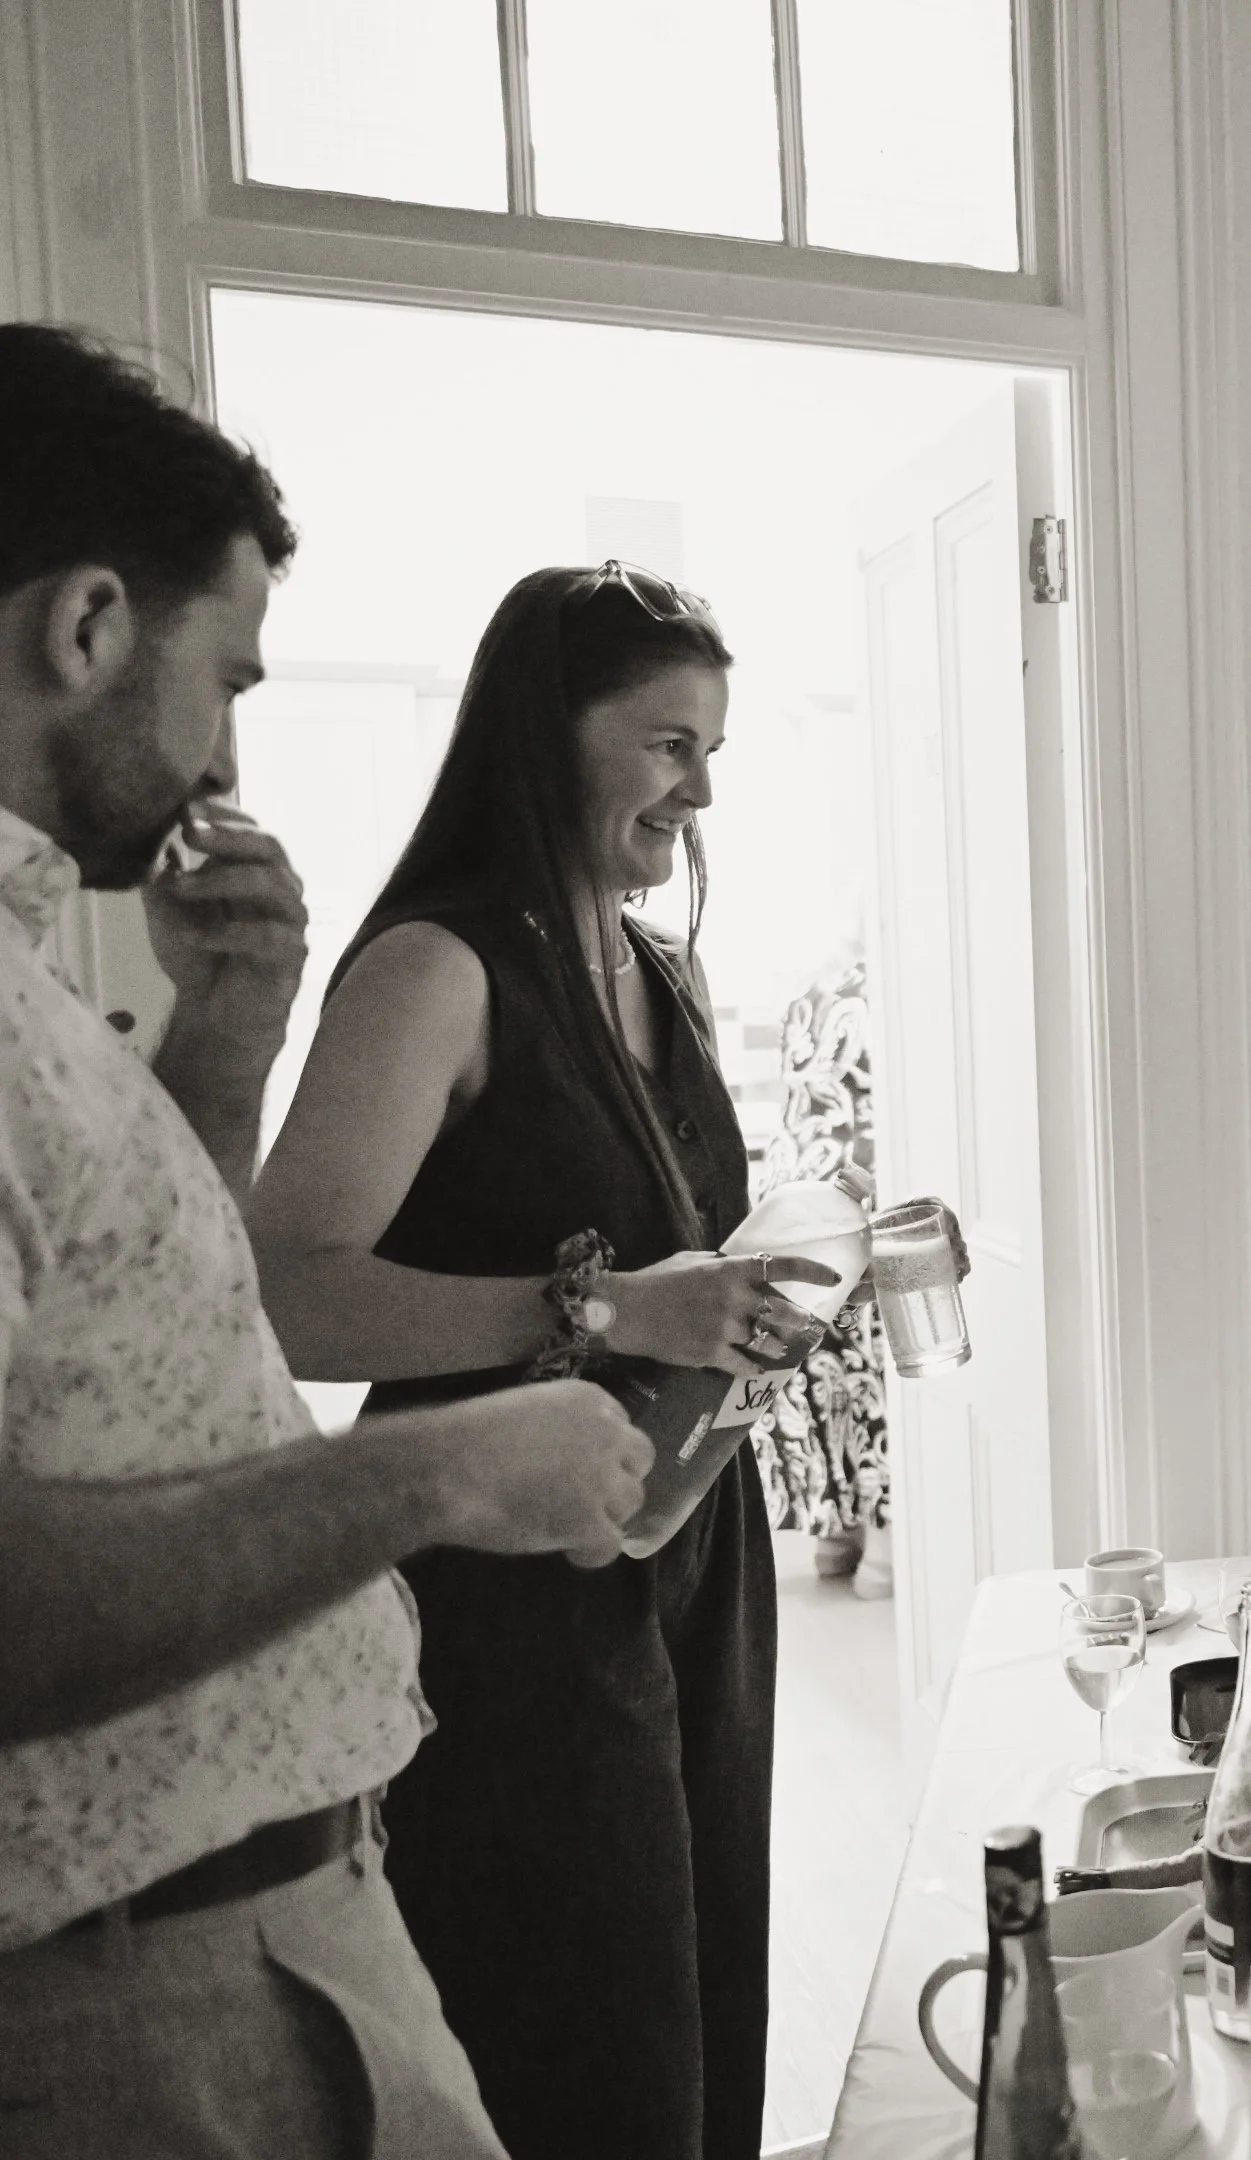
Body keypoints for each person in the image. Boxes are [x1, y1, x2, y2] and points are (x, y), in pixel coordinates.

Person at [0, 328, 657, 2157]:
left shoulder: (36, 974)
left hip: (263, 1929)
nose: (225, 746)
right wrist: (432, 1475)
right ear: (85, 626)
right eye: (223, 680)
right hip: (133, 2003)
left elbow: (149, 1355)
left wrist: (226, 1038)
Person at [249, 564, 835, 2160]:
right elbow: (288, 1293)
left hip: (693, 1550)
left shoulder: (664, 976)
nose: (700, 789)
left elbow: (674, 1259)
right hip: (508, 1594)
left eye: (709, 748)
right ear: (543, 738)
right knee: (584, 2030)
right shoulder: (436, 974)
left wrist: (765, 1288)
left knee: (709, 1988)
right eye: (664, 744)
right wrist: (590, 1314)